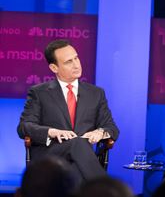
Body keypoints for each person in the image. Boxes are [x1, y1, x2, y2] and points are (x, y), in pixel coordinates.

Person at [17, 39, 119, 183]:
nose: (76, 64)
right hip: (50, 157)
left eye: (76, 58)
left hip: (81, 160)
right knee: (76, 143)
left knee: (76, 169)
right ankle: (105, 188)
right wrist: (52, 132)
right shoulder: (39, 92)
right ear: (54, 68)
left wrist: (100, 132)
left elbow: (112, 127)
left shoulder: (96, 93)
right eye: (68, 62)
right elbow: (24, 127)